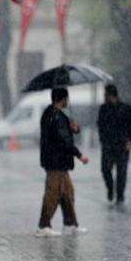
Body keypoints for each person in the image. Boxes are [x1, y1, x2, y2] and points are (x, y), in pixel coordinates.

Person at [36, 87, 89, 237]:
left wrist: (73, 128)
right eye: (67, 98)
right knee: (52, 194)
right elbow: (64, 141)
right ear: (63, 99)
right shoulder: (56, 117)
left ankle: (70, 224)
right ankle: (43, 225)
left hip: (57, 162)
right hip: (56, 162)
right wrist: (80, 155)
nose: (68, 101)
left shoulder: (51, 115)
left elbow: (60, 134)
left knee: (67, 193)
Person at [97, 84, 131, 204]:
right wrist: (102, 140)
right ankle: (111, 188)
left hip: (122, 145)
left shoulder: (126, 108)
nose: (104, 96)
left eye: (105, 94)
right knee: (105, 169)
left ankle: (120, 195)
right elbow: (100, 126)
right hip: (108, 145)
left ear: (110, 95)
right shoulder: (103, 109)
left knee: (121, 172)